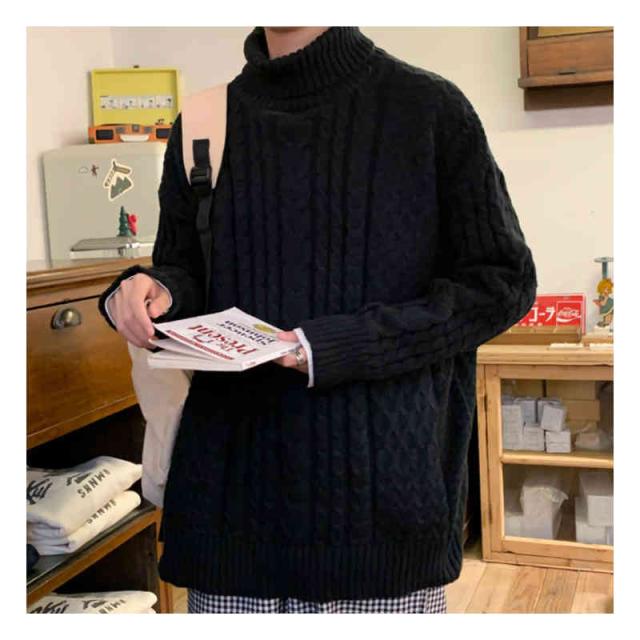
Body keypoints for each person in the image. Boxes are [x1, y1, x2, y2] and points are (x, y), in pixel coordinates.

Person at [99, 26, 537, 614]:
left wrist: (333, 346)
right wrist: (152, 290)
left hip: (380, 520)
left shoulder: (428, 109)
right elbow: (187, 270)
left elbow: (501, 283)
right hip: (229, 507)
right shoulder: (203, 122)